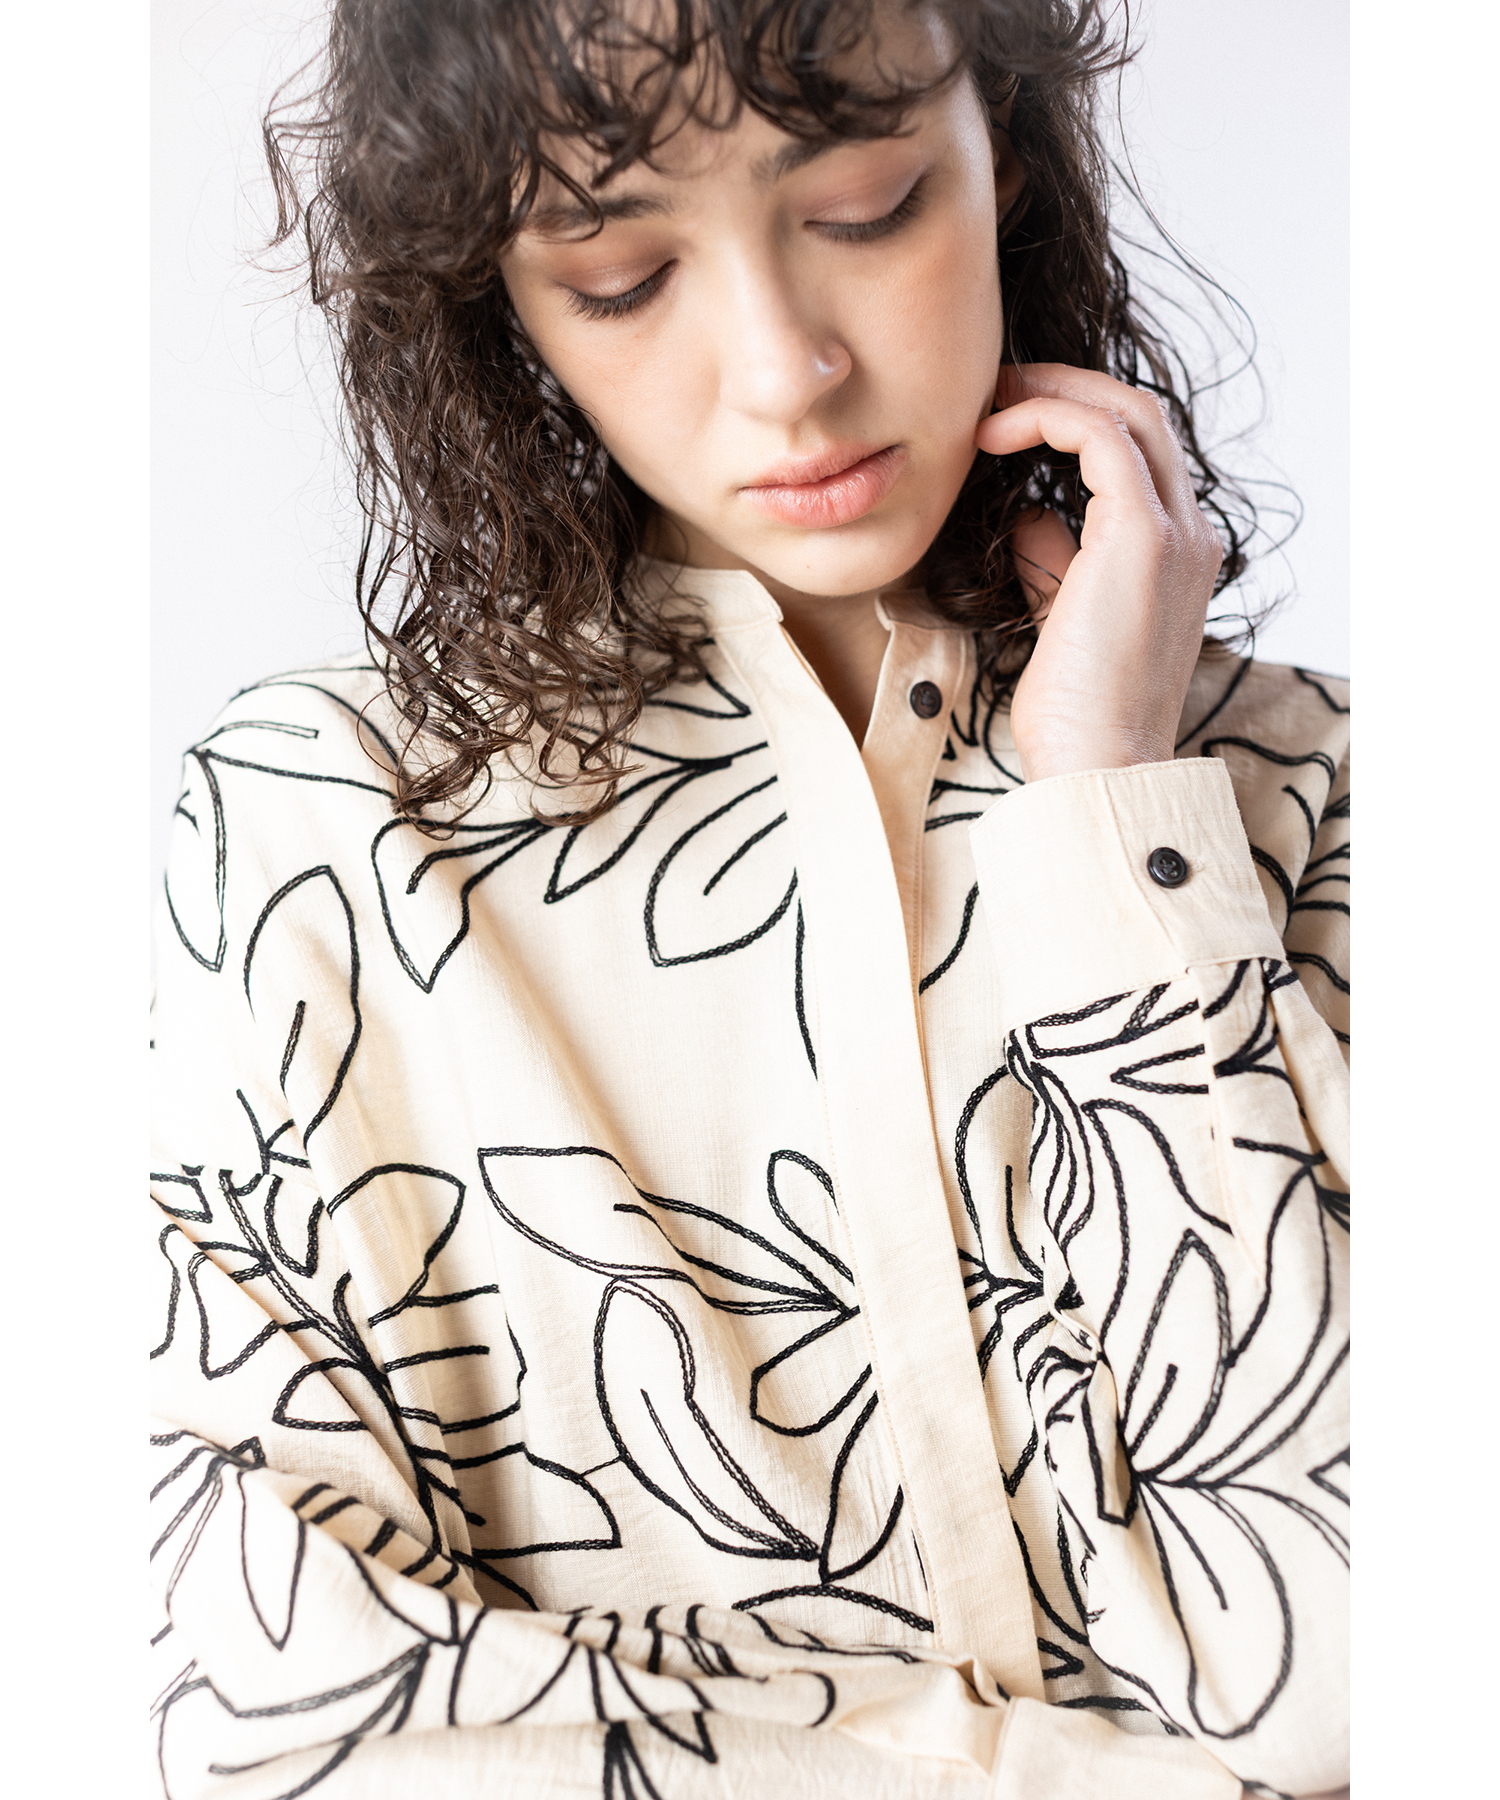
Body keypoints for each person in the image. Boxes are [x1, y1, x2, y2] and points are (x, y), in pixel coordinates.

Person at [149, 1, 1349, 1795]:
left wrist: (1117, 819)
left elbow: (1355, 1670)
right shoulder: (326, 832)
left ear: (1006, 150)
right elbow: (248, 1698)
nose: (787, 372)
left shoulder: (1304, 786)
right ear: (502, 298)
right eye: (623, 276)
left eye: (866, 207)